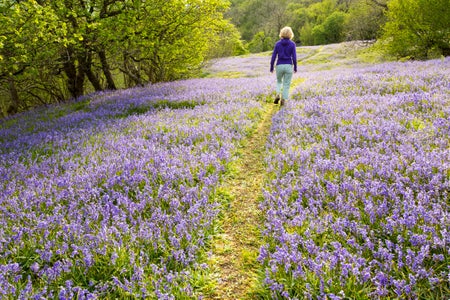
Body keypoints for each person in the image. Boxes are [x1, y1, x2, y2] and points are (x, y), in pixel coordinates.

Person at [270, 26, 297, 106]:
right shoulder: (292, 44)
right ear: (290, 34)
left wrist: (271, 66)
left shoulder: (277, 44)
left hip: (279, 65)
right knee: (286, 84)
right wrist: (295, 67)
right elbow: (294, 57)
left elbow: (274, 56)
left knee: (279, 81)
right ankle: (283, 99)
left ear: (281, 33)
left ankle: (278, 94)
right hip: (288, 65)